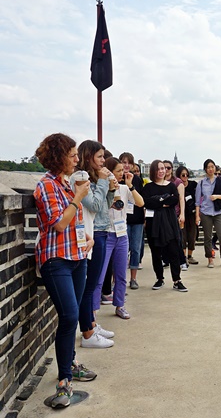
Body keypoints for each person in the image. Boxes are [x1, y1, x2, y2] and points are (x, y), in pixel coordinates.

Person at [33, 133, 97, 408]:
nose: (76, 159)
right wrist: (78, 197)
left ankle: (70, 362)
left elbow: (75, 223)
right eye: (72, 154)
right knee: (70, 316)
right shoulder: (47, 186)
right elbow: (58, 224)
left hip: (77, 255)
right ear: (59, 157)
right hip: (56, 259)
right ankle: (64, 380)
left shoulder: (68, 184)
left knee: (75, 311)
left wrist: (86, 240)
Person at [71, 140, 115, 349]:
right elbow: (95, 205)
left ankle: (92, 324)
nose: (103, 160)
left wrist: (111, 189)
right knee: (89, 286)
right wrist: (105, 183)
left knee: (94, 283)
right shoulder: (81, 178)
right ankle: (87, 332)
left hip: (101, 230)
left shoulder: (95, 178)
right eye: (99, 156)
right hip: (93, 233)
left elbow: (105, 205)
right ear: (88, 157)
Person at [99, 157, 144, 319]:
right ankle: (93, 310)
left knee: (120, 274)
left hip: (122, 234)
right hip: (106, 234)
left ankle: (119, 305)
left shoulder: (125, 188)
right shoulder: (101, 188)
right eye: (118, 171)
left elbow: (140, 203)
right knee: (101, 274)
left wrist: (130, 186)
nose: (122, 173)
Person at [141, 160, 188, 292]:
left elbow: (174, 200)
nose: (162, 171)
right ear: (153, 171)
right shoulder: (148, 187)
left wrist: (158, 200)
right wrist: (163, 201)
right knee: (156, 252)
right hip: (154, 222)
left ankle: (177, 280)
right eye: (159, 169)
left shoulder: (171, 186)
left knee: (173, 250)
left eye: (163, 168)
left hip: (170, 221)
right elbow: (147, 202)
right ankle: (159, 278)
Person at [195, 159, 221, 268]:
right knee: (208, 237)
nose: (211, 169)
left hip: (218, 211)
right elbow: (197, 202)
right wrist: (197, 216)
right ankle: (210, 259)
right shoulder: (201, 183)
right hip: (205, 212)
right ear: (205, 169)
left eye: (212, 166)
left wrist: (218, 197)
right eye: (208, 167)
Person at [118, 152, 146, 289]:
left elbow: (141, 200)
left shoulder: (137, 180)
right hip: (121, 220)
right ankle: (118, 279)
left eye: (129, 162)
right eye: (123, 162)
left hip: (137, 218)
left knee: (135, 248)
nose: (126, 165)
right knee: (121, 250)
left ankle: (133, 278)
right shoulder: (116, 179)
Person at [163, 159, 187, 270]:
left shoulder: (177, 182)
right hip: (162, 215)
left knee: (177, 239)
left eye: (168, 168)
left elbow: (181, 199)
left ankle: (182, 261)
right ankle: (166, 259)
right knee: (164, 239)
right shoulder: (159, 181)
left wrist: (182, 214)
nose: (166, 170)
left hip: (175, 214)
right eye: (164, 167)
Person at [176, 165, 199, 265]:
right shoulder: (177, 185)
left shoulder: (193, 184)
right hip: (182, 214)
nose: (185, 176)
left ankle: (190, 256)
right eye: (183, 175)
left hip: (192, 213)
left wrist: (198, 214)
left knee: (192, 236)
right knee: (183, 236)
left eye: (186, 174)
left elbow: (199, 199)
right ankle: (183, 257)